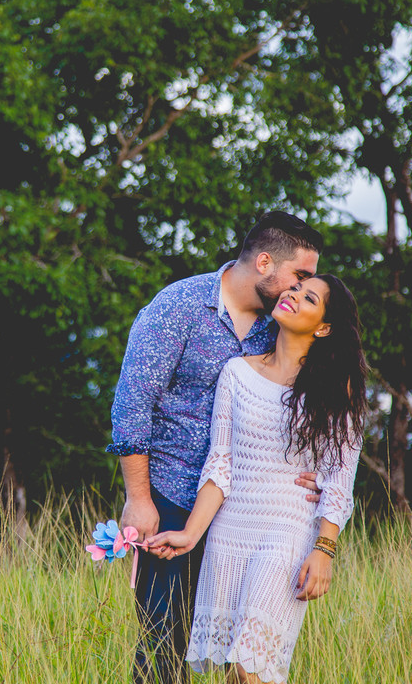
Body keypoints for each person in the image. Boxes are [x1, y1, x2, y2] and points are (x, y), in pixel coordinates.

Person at [107, 211, 326, 684]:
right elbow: (131, 405)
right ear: (265, 262)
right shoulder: (179, 307)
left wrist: (312, 473)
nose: (300, 288)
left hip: (248, 516)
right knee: (164, 643)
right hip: (173, 500)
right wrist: (139, 499)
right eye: (300, 276)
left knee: (242, 660)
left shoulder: (283, 324)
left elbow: (316, 409)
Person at [147, 273, 369, 684]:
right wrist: (191, 534)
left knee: (253, 667)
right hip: (230, 531)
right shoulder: (236, 373)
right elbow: (220, 464)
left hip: (287, 530)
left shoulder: (338, 389)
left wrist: (324, 549)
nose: (293, 296)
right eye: (295, 289)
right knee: (235, 674)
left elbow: (341, 478)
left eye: (309, 298)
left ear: (323, 327)